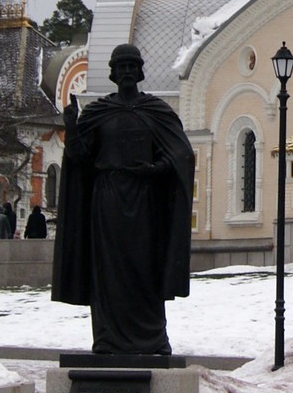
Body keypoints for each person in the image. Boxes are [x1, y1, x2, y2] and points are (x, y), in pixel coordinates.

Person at [52, 44, 195, 355]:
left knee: (144, 267)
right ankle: (107, 338)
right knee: (108, 269)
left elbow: (181, 155)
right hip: (107, 201)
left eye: (132, 66)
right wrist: (72, 127)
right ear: (113, 73)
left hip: (145, 203)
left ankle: (153, 338)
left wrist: (155, 169)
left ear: (140, 71)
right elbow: (79, 159)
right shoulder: (97, 113)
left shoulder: (156, 111)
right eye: (122, 67)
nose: (127, 72)